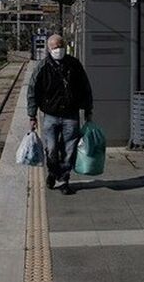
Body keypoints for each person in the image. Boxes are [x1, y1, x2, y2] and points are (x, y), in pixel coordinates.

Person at [27, 34, 93, 195]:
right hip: (50, 115)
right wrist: (32, 115)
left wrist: (88, 109)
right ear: (49, 49)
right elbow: (32, 91)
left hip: (71, 114)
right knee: (51, 149)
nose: (58, 50)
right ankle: (52, 172)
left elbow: (85, 87)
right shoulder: (42, 67)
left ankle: (64, 180)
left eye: (61, 46)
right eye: (55, 47)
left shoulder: (74, 65)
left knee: (69, 150)